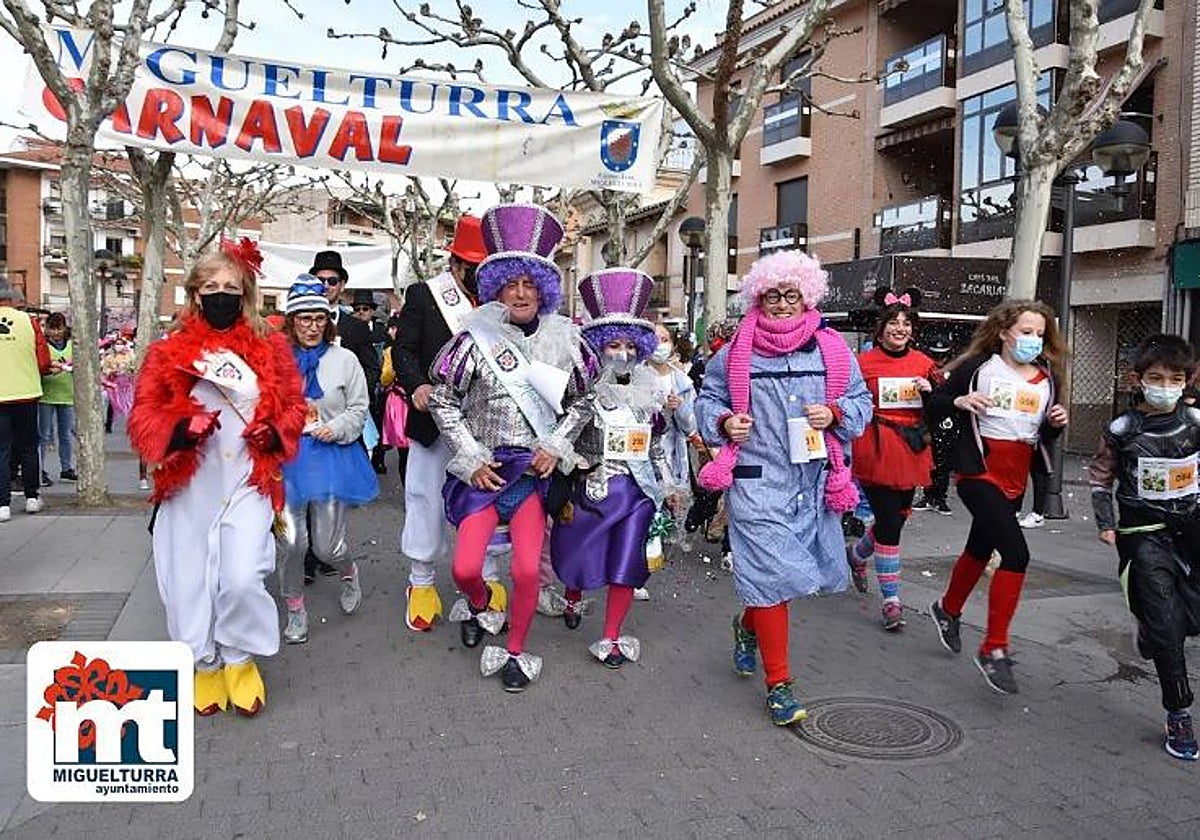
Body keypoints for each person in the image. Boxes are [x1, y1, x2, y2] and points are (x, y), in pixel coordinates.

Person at [128, 239, 306, 717]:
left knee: (242, 577)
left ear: (245, 294)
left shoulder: (271, 348)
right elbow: (142, 417)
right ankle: (204, 663)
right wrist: (180, 429)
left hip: (247, 480)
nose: (221, 295)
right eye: (211, 287)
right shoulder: (167, 352)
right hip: (191, 486)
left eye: (231, 286)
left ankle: (239, 657)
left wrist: (275, 432)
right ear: (195, 294)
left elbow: (293, 406)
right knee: (189, 580)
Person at [694, 250, 872, 726]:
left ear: (806, 296)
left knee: (780, 580)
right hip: (757, 484)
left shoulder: (833, 350)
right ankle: (780, 685)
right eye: (773, 295)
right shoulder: (736, 352)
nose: (782, 304)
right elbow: (707, 401)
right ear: (759, 297)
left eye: (791, 295)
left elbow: (860, 402)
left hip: (812, 485)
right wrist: (724, 421)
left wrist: (835, 413)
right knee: (775, 576)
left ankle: (746, 626)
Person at [429, 203, 597, 692]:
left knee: (526, 571)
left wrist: (556, 444)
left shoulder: (565, 341)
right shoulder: (473, 340)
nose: (521, 293)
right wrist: (470, 456)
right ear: (496, 289)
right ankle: (482, 606)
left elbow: (585, 401)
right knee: (464, 569)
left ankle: (517, 650)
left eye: (529, 284)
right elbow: (442, 399)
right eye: (510, 284)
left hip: (530, 479)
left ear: (542, 290)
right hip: (485, 475)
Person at [926, 300, 1069, 695]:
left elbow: (1044, 434)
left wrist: (1056, 424)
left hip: (1015, 476)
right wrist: (959, 401)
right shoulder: (979, 368)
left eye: (1039, 333)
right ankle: (994, 647)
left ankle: (947, 609)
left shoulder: (1047, 377)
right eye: (1026, 332)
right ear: (1005, 333)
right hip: (978, 471)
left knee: (979, 547)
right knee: (1016, 554)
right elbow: (934, 404)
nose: (1033, 339)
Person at [390, 215, 509, 632]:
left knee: (488, 498)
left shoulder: (503, 303)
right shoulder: (425, 295)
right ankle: (421, 581)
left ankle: (488, 578)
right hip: (434, 420)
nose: (479, 276)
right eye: (472, 267)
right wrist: (417, 385)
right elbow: (403, 350)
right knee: (425, 497)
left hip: (486, 423)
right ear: (455, 263)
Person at [550, 268, 674, 666]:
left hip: (636, 496)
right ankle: (573, 595)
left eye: (630, 345)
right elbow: (560, 437)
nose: (622, 353)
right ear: (598, 347)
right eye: (613, 344)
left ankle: (611, 637)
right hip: (589, 492)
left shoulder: (649, 394)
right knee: (576, 560)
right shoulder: (579, 392)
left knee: (627, 565)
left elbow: (656, 447)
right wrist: (574, 461)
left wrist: (669, 486)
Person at [1089, 335, 1200, 760]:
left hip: (1191, 530)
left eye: (1175, 379)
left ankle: (1151, 629)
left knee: (1188, 617)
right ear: (1138, 379)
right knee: (1168, 625)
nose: (1165, 386)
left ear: (1187, 381)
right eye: (1156, 378)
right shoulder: (1122, 430)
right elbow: (1101, 479)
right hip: (1143, 532)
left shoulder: (1195, 423)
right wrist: (1106, 523)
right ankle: (1179, 713)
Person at [276, 278, 378, 644]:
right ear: (292, 321)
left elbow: (359, 408)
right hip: (286, 459)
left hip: (331, 457)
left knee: (326, 547)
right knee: (290, 542)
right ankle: (295, 609)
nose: (312, 326)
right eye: (304, 318)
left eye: (319, 318)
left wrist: (335, 428)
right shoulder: (276, 361)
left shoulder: (344, 360)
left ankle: (348, 571)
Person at [845, 288, 938, 630]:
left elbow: (940, 408)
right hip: (876, 448)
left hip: (911, 448)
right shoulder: (862, 364)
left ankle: (856, 555)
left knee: (897, 518)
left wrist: (931, 393)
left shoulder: (925, 364)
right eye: (894, 323)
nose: (900, 329)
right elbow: (848, 401)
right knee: (888, 523)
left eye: (906, 324)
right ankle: (891, 601)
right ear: (881, 328)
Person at [0, 277, 50, 522]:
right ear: (11, 297)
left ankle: (2, 504)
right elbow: (43, 361)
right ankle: (31, 497)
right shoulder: (30, 323)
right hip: (26, 393)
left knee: (2, 449)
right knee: (30, 446)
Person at [350, 288, 389, 474]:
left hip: (379, 384)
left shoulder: (382, 331)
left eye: (365, 309)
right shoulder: (350, 330)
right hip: (357, 384)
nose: (361, 312)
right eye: (357, 309)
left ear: (372, 311)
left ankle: (379, 459)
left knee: (379, 421)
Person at [38, 312, 76, 485]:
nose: (55, 332)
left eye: (58, 328)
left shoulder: (72, 345)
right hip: (46, 396)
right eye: (51, 329)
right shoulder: (43, 346)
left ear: (64, 328)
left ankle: (66, 468)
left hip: (67, 395)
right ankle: (40, 469)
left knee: (65, 434)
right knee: (43, 435)